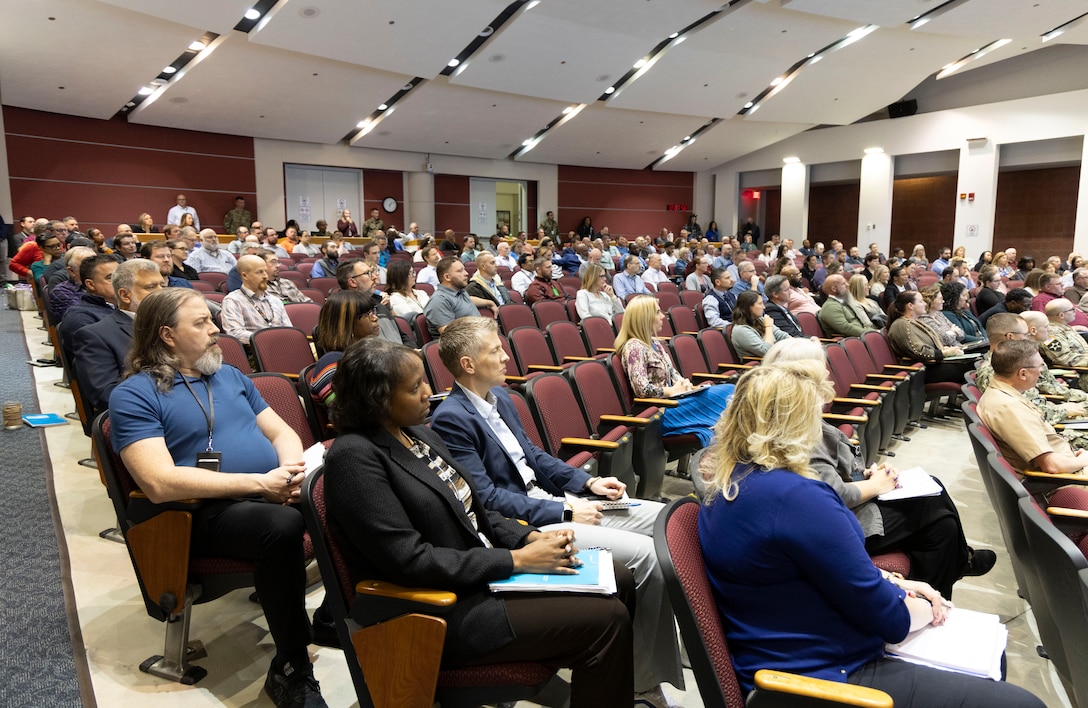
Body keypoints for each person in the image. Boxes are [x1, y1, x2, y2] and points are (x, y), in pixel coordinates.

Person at [698, 361, 1042, 707]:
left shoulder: (732, 480)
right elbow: (892, 621)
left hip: (784, 655)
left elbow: (812, 567)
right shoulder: (797, 497)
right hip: (819, 679)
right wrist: (928, 605)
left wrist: (897, 582)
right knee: (1020, 700)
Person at [322, 338, 635, 707]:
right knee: (607, 619)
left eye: (425, 380)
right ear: (375, 401)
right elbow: (410, 561)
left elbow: (477, 515)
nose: (429, 392)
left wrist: (530, 537)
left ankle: (599, 683)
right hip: (440, 608)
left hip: (483, 575)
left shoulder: (419, 433)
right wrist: (518, 561)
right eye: (414, 387)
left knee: (619, 577)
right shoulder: (354, 458)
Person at [431, 319, 683, 703]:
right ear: (467, 364)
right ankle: (643, 684)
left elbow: (534, 456)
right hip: (531, 523)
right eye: (494, 350)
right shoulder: (452, 418)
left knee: (667, 520)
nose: (505, 355)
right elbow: (487, 499)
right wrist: (563, 510)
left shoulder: (501, 400)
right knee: (646, 557)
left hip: (560, 501)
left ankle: (665, 636)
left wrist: (587, 484)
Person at [108, 288, 325, 708]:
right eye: (202, 323)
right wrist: (261, 484)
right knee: (279, 527)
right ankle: (292, 664)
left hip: (267, 491)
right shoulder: (135, 394)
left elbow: (282, 433)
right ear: (167, 335)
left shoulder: (229, 375)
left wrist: (293, 475)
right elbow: (159, 482)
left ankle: (341, 615)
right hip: (199, 515)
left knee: (352, 485)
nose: (216, 330)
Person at [761, 338, 994, 598]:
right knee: (936, 514)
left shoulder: (787, 416)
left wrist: (866, 474)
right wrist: (875, 485)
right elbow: (830, 496)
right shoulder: (802, 430)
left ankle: (945, 581)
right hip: (838, 525)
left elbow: (830, 473)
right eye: (822, 366)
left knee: (937, 505)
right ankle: (952, 574)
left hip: (837, 512)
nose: (828, 372)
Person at [615, 296, 732, 446]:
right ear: (645, 318)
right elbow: (641, 389)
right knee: (728, 392)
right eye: (657, 312)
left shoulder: (654, 343)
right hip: (660, 411)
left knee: (726, 392)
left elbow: (672, 373)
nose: (662, 316)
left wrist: (683, 383)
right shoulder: (634, 347)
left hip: (675, 402)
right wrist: (670, 391)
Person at [71, 259, 163, 416]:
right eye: (150, 287)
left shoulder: (177, 326)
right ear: (125, 295)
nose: (161, 292)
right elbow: (107, 396)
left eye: (162, 285)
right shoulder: (96, 336)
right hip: (145, 416)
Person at [307, 290, 381, 408]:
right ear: (346, 324)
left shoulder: (368, 354)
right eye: (367, 314)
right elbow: (348, 415)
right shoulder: (331, 364)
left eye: (373, 311)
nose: (375, 318)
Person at [886, 291, 976, 385]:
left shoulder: (915, 322)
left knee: (976, 361)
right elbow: (918, 351)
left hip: (934, 364)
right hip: (924, 370)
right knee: (974, 365)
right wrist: (944, 353)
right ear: (910, 306)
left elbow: (933, 342)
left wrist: (945, 349)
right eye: (921, 301)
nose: (925, 303)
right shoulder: (901, 325)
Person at [221, 254, 292, 344]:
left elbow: (289, 330)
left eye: (265, 271)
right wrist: (270, 340)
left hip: (282, 348)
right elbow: (235, 333)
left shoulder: (275, 300)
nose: (265, 276)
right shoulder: (233, 300)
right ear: (245, 276)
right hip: (255, 353)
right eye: (259, 272)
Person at [423, 256, 494, 337]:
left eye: (464, 269)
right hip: (466, 346)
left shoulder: (459, 291)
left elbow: (466, 301)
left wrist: (489, 302)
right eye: (460, 271)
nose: (466, 273)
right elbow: (451, 336)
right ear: (447, 277)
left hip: (480, 337)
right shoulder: (439, 301)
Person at [731, 290, 790, 358]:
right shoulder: (741, 330)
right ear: (748, 307)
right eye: (760, 304)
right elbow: (767, 351)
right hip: (759, 366)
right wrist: (768, 327)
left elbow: (782, 336)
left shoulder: (760, 319)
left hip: (777, 359)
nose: (764, 307)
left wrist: (797, 344)